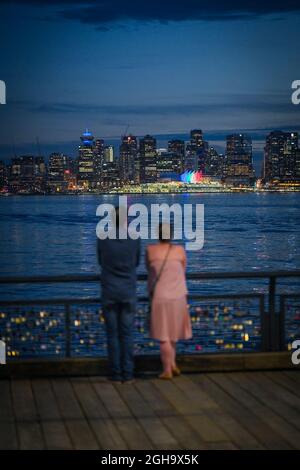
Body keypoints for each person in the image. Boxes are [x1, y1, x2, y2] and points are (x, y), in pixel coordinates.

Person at [97, 206, 140, 384]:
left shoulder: (103, 238)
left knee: (112, 334)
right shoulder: (134, 238)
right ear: (125, 220)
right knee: (127, 334)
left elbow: (100, 261)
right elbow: (136, 262)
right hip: (128, 290)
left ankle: (115, 374)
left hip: (109, 290)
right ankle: (128, 374)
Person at [146, 222, 192, 379]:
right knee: (173, 334)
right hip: (179, 296)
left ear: (157, 235)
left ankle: (166, 370)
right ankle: (172, 364)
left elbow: (149, 270)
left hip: (160, 297)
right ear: (171, 235)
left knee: (164, 336)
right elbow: (183, 270)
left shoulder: (151, 250)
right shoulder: (179, 250)